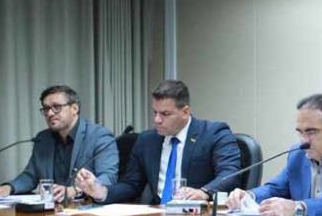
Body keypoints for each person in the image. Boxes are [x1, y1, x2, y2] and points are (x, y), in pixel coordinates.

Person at [76, 80, 241, 204]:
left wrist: (204, 192)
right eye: (155, 112)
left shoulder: (214, 133)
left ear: (185, 112)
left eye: (165, 114)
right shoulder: (147, 140)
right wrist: (101, 191)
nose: (157, 120)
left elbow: (229, 174)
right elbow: (131, 185)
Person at [0, 84, 118, 201]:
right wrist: (9, 188)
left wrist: (76, 190)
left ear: (74, 109)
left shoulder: (99, 136)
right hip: (52, 209)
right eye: (46, 108)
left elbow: (109, 177)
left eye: (56, 107)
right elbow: (31, 176)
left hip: (85, 208)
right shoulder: (43, 139)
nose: (50, 113)